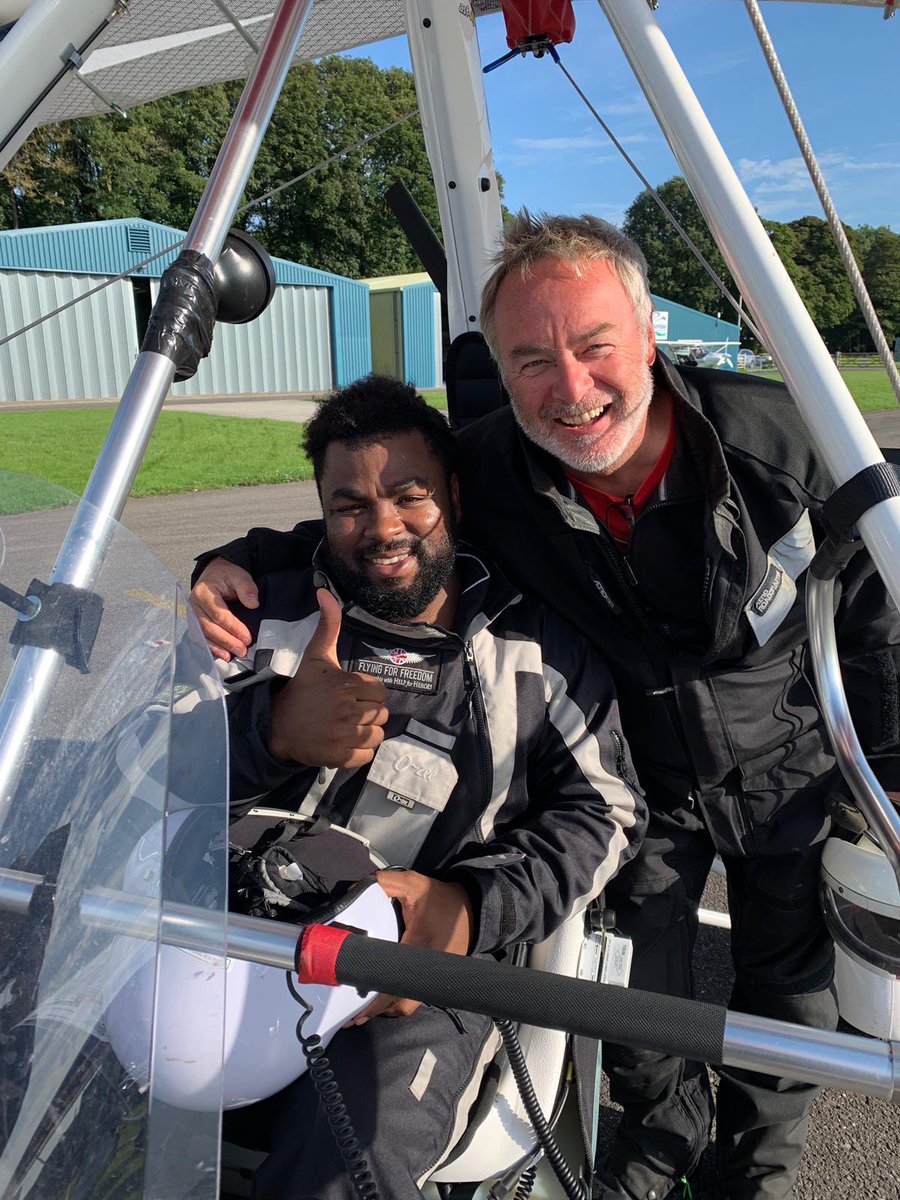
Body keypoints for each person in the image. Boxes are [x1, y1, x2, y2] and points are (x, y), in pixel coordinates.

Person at [191, 214, 900, 1200]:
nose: (570, 388)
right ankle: (658, 1150)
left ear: (647, 336)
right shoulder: (493, 466)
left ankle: (758, 1174)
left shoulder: (784, 442)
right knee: (637, 996)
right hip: (646, 772)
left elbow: (882, 619)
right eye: (532, 360)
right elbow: (376, 525)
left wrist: (882, 776)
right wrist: (233, 565)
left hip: (786, 768)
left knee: (789, 996)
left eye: (595, 345)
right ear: (503, 371)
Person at [214, 375, 646, 1200]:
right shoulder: (254, 617)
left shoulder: (536, 651)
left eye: (410, 496)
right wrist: (268, 736)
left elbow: (609, 811)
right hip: (221, 929)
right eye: (349, 506)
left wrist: (470, 908)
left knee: (351, 1158)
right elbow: (139, 770)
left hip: (419, 981)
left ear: (453, 493)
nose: (382, 528)